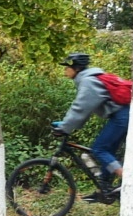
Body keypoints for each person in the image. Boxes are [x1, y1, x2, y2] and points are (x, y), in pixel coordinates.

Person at [54, 52, 128, 204]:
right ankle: (105, 189)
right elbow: (85, 111)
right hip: (122, 115)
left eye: (67, 67)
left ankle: (131, 182)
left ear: (76, 68)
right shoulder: (90, 79)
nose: (65, 71)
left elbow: (80, 108)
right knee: (108, 153)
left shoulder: (88, 82)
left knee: (99, 149)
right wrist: (67, 125)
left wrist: (65, 127)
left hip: (122, 116)